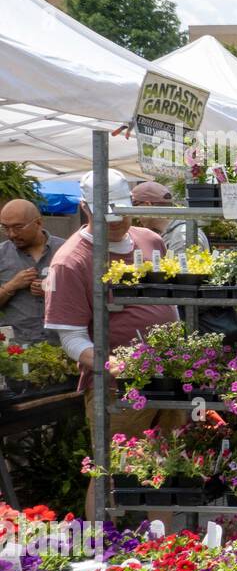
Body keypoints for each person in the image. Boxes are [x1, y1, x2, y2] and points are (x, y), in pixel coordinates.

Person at [44, 169, 182, 519]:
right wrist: (114, 365)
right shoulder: (71, 260)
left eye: (123, 210)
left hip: (168, 378)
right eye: (107, 213)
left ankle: (163, 548)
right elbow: (72, 338)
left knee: (165, 464)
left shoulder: (150, 240)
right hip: (117, 387)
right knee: (109, 469)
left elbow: (172, 302)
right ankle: (102, 548)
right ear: (86, 208)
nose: (117, 220)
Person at [0, 199, 65, 344]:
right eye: (5, 228)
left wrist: (53, 293)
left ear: (39, 223)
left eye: (18, 227)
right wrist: (11, 286)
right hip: (16, 350)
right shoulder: (1, 254)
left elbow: (90, 298)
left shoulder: (67, 251)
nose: (11, 234)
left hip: (63, 345)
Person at [130, 181, 209, 256]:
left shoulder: (181, 235)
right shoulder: (173, 232)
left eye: (135, 206)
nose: (134, 215)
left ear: (148, 205)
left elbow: (181, 269)